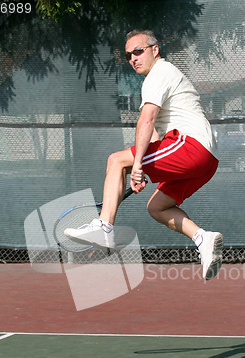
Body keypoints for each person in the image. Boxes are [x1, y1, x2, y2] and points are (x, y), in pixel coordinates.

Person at [65, 29, 223, 280]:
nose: (133, 59)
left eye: (138, 51)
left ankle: (103, 227)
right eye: (128, 56)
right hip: (206, 161)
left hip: (192, 147)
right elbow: (156, 138)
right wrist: (140, 170)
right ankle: (203, 238)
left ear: (155, 50)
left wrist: (136, 164)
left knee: (116, 160)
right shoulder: (164, 76)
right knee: (157, 207)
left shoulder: (159, 73)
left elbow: (146, 120)